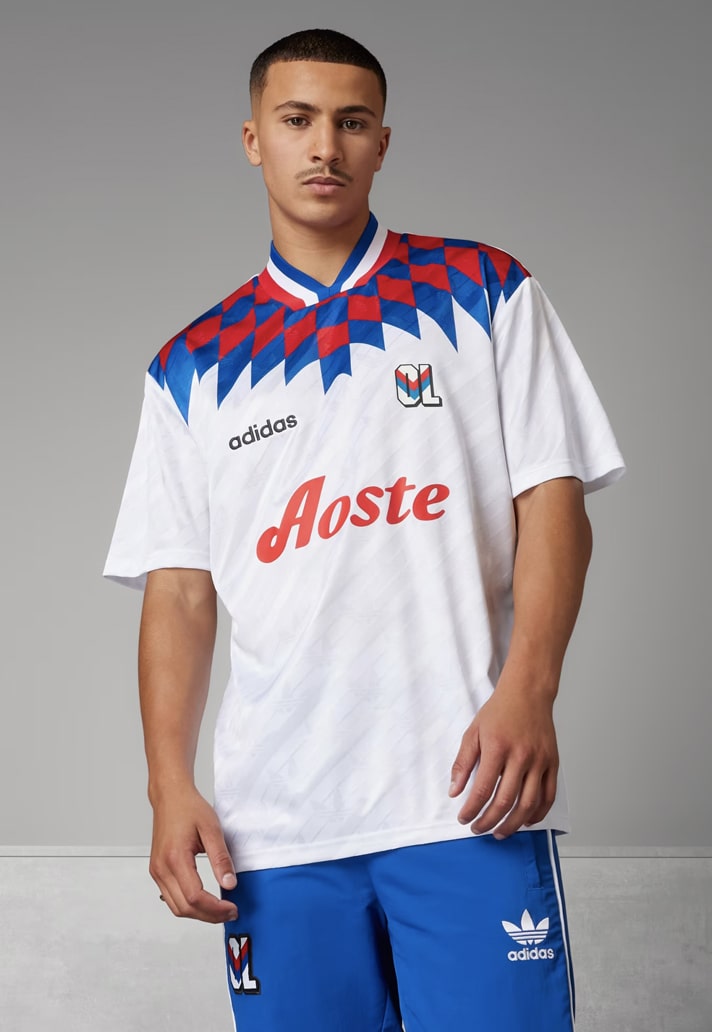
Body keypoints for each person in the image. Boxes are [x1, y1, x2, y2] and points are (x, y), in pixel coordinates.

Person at [104, 27, 624, 1032]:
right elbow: (179, 591)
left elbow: (552, 501)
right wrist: (169, 785)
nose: (323, 147)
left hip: (467, 798)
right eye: (296, 119)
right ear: (252, 138)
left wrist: (530, 688)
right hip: (275, 827)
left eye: (350, 122)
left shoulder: (483, 291)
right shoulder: (190, 368)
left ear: (382, 142)